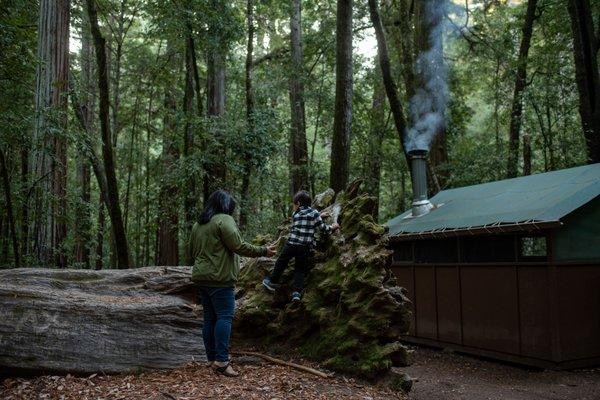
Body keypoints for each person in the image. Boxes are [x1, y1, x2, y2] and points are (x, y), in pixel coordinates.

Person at [188, 189, 276, 377]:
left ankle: (211, 358)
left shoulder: (198, 224)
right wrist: (263, 250)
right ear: (226, 205)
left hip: (201, 277)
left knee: (209, 318)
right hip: (220, 278)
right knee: (225, 316)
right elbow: (238, 245)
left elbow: (192, 250)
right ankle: (221, 361)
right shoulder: (224, 220)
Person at [262, 190, 339, 302]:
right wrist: (333, 226)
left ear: (298, 203)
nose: (293, 207)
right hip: (305, 247)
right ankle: (297, 293)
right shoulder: (314, 214)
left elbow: (304, 218)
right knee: (300, 269)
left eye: (294, 204)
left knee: (281, 261)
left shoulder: (295, 214)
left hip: (291, 245)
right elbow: (323, 229)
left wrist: (319, 215)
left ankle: (272, 281)